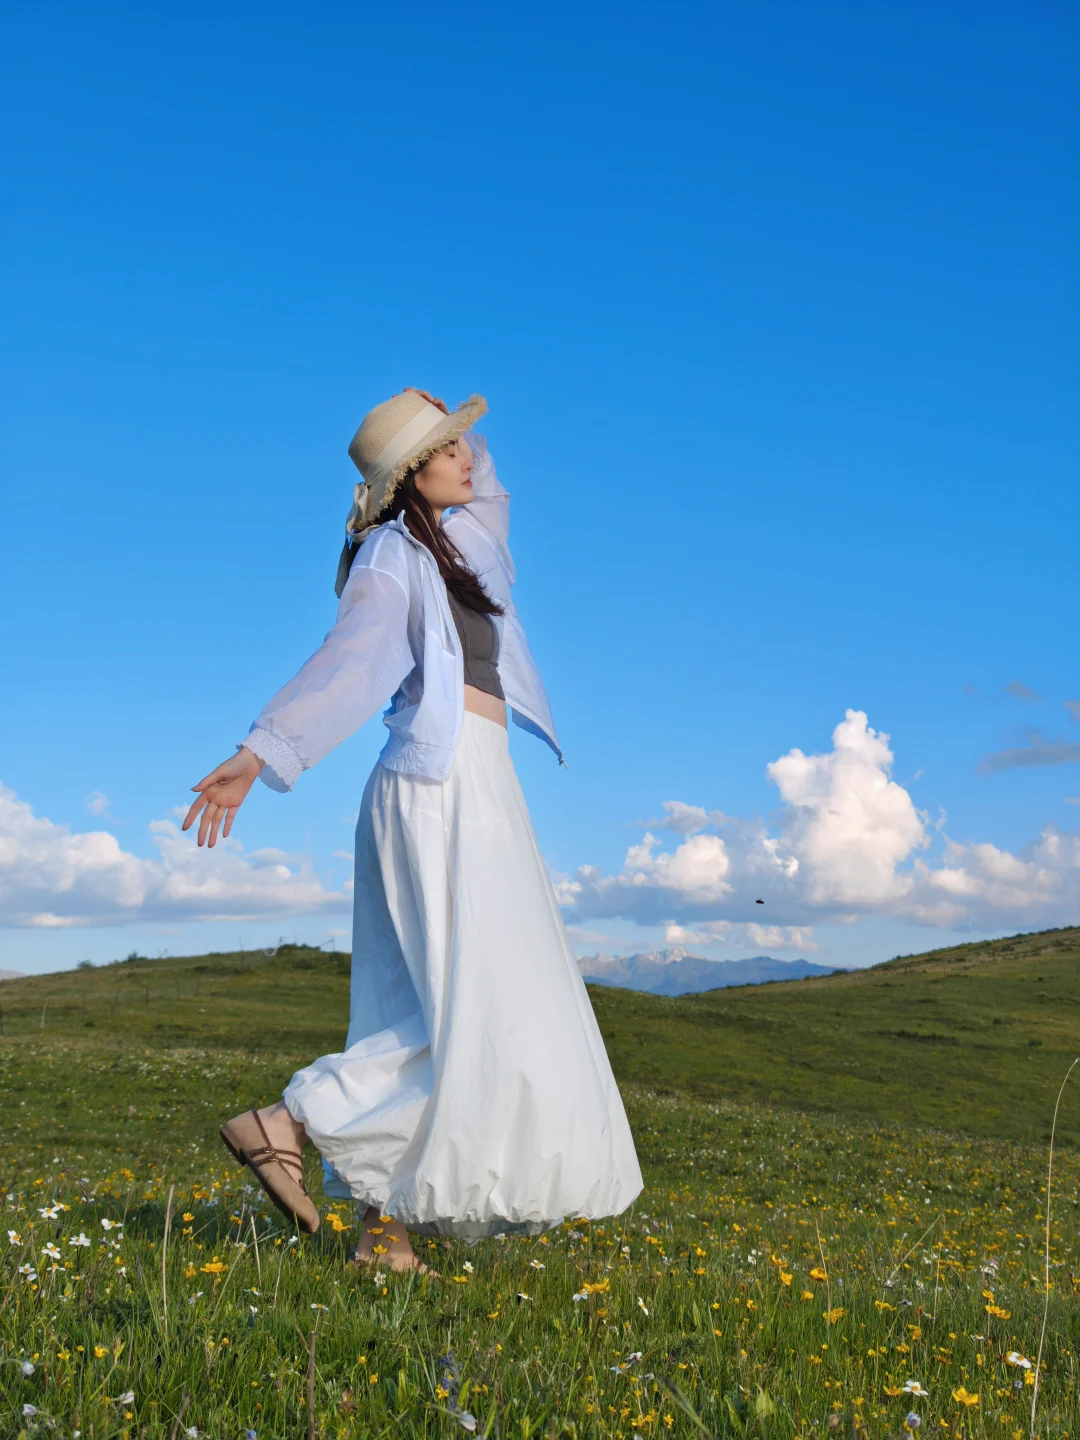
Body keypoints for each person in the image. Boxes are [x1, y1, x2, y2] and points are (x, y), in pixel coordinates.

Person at [183, 388, 642, 1271]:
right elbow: (348, 664)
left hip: (477, 779)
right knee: (477, 1009)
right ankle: (292, 1122)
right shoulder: (391, 554)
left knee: (430, 1010)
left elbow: (493, 489)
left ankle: (383, 1234)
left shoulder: (467, 542)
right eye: (447, 448)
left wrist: (446, 417)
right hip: (437, 784)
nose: (469, 457)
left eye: (465, 444)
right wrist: (262, 751)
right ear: (408, 476)